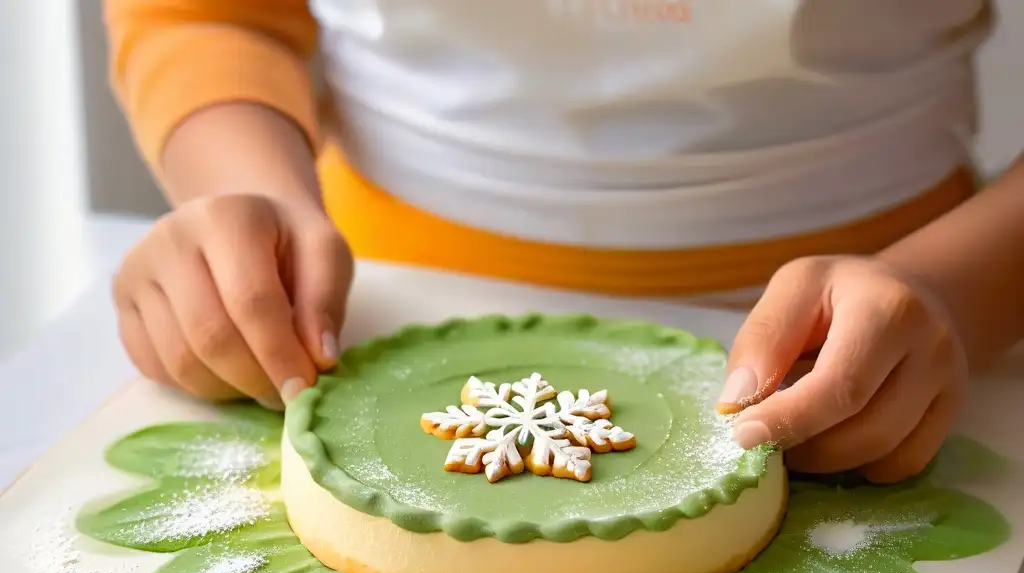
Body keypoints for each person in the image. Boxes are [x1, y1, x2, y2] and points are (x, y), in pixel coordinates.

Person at [103, 0, 1023, 483]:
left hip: (889, 355)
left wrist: (955, 288)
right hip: (363, 306)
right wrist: (243, 196)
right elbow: (202, 10)